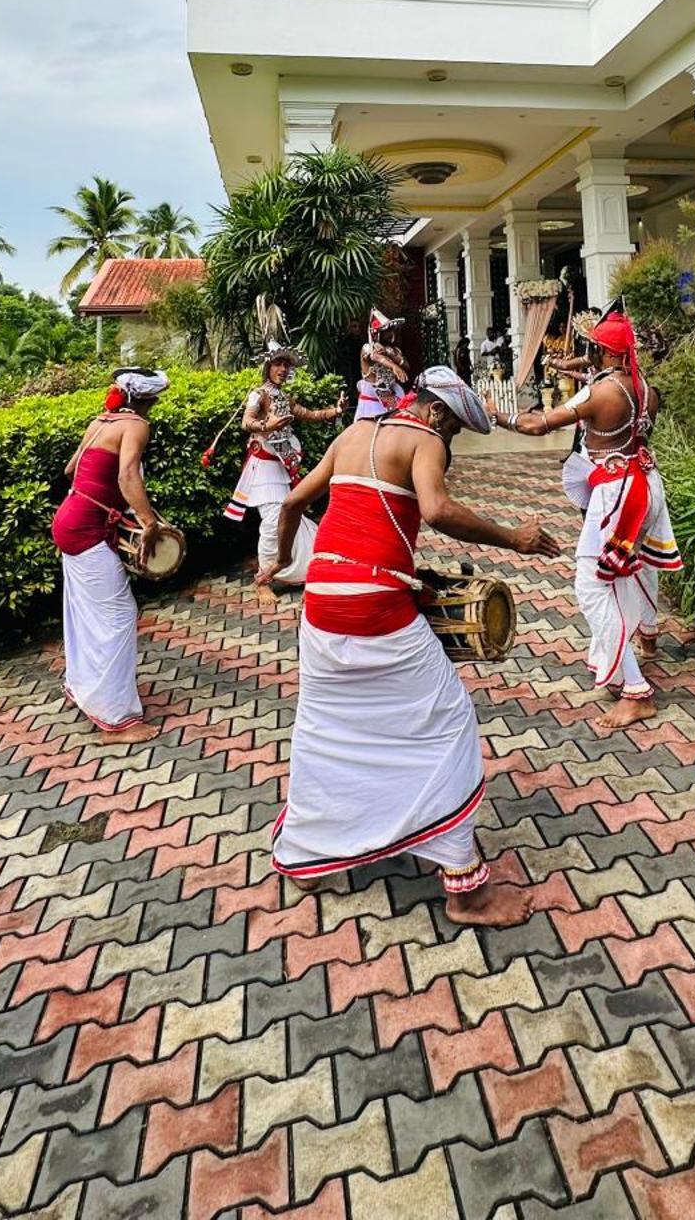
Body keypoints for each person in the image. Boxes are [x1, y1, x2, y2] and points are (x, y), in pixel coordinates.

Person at [269, 366, 559, 925]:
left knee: (327, 727)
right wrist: (512, 538)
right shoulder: (425, 438)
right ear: (437, 412)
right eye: (451, 431)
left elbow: (290, 506)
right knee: (447, 723)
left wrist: (282, 562)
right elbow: (437, 510)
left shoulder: (351, 435)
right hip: (375, 606)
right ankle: (466, 891)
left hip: (321, 604)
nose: (447, 443)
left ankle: (307, 858)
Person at [488, 305, 678, 725]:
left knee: (592, 584)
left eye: (592, 345)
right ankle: (635, 641)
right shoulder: (646, 387)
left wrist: (498, 415)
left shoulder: (603, 391)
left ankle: (635, 690)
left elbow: (539, 425)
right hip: (646, 484)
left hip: (617, 494)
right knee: (627, 573)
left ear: (605, 351)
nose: (587, 349)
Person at [51, 368, 169, 739]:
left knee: (85, 610)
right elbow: (127, 477)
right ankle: (116, 718)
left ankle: (84, 685)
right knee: (119, 613)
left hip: (70, 520)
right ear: (148, 400)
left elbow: (72, 469)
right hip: (85, 529)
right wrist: (150, 523)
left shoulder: (102, 421)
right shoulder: (136, 426)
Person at [228, 343, 345, 590]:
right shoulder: (259, 394)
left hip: (282, 467)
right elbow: (246, 421)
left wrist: (335, 410)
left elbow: (309, 414)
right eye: (277, 364)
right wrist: (265, 427)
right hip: (264, 470)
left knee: (290, 516)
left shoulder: (284, 397)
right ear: (268, 367)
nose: (282, 369)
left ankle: (298, 564)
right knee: (271, 522)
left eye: (286, 364)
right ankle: (263, 580)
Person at [355, 309, 409, 421]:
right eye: (387, 332)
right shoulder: (367, 348)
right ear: (377, 333)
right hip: (372, 398)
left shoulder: (394, 350)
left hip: (392, 393)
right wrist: (393, 366)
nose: (391, 334)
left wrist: (392, 355)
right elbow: (376, 357)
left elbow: (407, 366)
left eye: (392, 331)